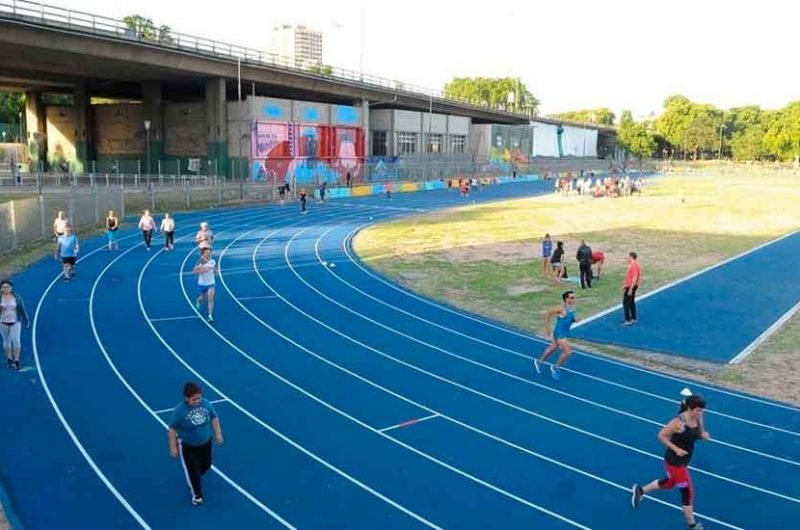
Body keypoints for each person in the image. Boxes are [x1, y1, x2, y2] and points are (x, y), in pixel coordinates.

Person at [631, 394, 711, 530]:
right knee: (687, 492)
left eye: (702, 410)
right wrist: (676, 449)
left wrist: (703, 435)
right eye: (698, 410)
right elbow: (661, 435)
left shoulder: (698, 416)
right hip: (675, 462)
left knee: (669, 483)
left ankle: (640, 490)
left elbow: (699, 430)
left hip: (685, 459)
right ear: (690, 409)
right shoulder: (678, 422)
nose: (701, 412)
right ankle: (693, 526)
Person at [168, 382, 223, 506]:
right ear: (186, 398)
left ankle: (194, 479)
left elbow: (214, 417)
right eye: (194, 399)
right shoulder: (180, 411)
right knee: (193, 471)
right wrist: (173, 447)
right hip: (188, 446)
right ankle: (197, 495)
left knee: (207, 465)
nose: (197, 401)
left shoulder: (206, 404)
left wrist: (218, 434)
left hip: (206, 443)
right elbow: (172, 429)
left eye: (199, 398)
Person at [534, 291, 578, 380]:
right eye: (572, 298)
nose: (574, 299)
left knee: (553, 347)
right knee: (568, 352)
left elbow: (569, 319)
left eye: (574, 297)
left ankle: (538, 362)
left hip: (564, 332)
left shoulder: (571, 308)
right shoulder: (561, 308)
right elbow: (548, 313)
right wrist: (547, 328)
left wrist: (574, 320)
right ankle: (555, 367)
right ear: (567, 299)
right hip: (559, 333)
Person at [1, 280, 29, 371]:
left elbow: (22, 308)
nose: (5, 289)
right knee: (6, 341)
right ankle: (9, 358)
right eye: (3, 287)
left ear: (11, 288)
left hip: (15, 321)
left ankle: (17, 360)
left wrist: (26, 320)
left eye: (7, 287)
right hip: (3, 322)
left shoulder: (16, 297)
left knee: (16, 341)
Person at [193, 248, 216, 323]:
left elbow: (215, 270)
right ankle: (198, 300)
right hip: (202, 283)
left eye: (209, 252)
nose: (208, 254)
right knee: (203, 298)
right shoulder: (200, 262)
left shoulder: (213, 261)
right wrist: (201, 270)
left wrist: (216, 272)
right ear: (203, 254)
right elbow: (194, 272)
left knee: (211, 298)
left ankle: (210, 315)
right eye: (206, 253)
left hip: (211, 283)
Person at [623, 251, 641, 325]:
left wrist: (630, 288)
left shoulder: (634, 265)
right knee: (631, 302)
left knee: (626, 302)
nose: (626, 258)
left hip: (631, 286)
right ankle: (633, 318)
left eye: (627, 256)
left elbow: (634, 277)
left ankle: (628, 320)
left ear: (631, 257)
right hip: (630, 286)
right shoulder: (634, 265)